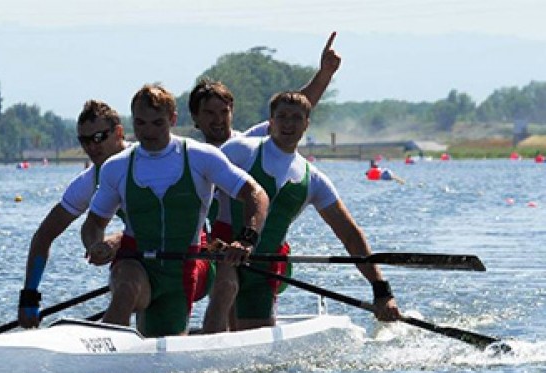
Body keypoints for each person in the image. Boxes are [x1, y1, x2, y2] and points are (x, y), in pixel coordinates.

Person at [81, 84, 270, 337]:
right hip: (136, 262)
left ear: (172, 119)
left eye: (157, 123)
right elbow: (93, 223)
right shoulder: (116, 167)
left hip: (183, 269)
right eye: (140, 123)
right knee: (125, 286)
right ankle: (103, 355)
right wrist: (95, 245)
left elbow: (256, 194)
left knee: (167, 359)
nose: (148, 132)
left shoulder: (201, 157)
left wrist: (247, 239)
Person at [209, 91, 401, 331]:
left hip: (264, 267)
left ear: (306, 124)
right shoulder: (240, 150)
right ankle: (208, 345)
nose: (288, 124)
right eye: (282, 117)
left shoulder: (314, 180)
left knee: (255, 357)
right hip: (222, 253)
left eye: (296, 118)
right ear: (271, 121)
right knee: (227, 287)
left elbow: (350, 235)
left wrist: (381, 290)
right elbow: (199, 192)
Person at [17, 100, 129, 328]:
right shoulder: (89, 181)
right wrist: (29, 296)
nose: (91, 147)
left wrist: (117, 241)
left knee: (125, 271)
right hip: (145, 259)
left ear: (118, 133)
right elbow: (44, 236)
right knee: (123, 272)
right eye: (84, 140)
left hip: (192, 251)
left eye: (98, 137)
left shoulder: (145, 159)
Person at [188, 31, 341, 147]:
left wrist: (325, 73)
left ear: (232, 111)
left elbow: (298, 105)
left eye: (223, 112)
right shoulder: (189, 157)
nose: (218, 120)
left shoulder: (249, 143)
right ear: (195, 117)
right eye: (210, 113)